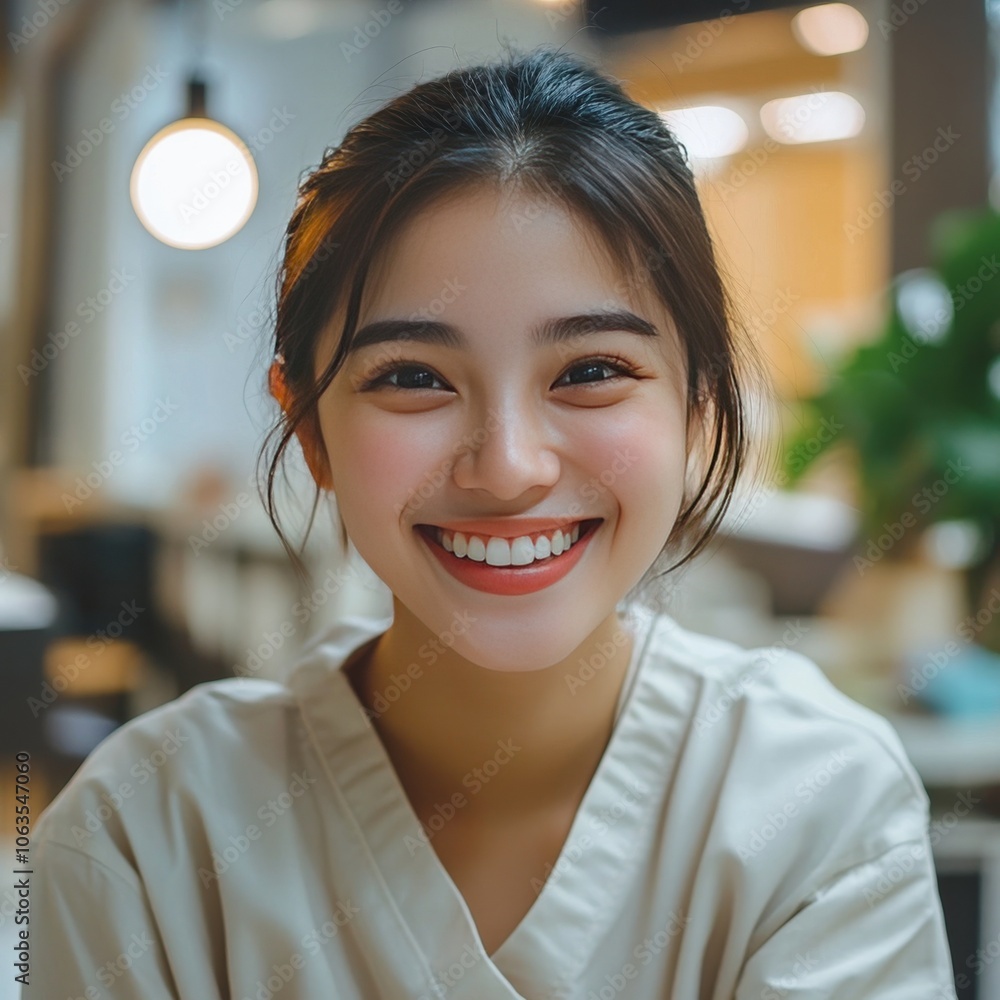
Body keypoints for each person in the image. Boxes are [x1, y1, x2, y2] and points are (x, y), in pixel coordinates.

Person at [27, 44, 956, 999]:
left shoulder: (819, 803)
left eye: (591, 371)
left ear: (700, 412)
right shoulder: (143, 838)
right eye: (414, 379)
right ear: (308, 428)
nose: (509, 467)